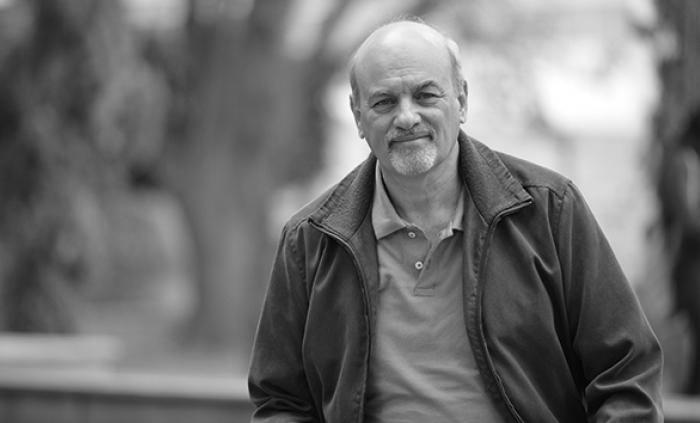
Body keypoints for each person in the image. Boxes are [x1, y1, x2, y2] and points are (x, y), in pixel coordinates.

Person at [248, 18, 663, 422]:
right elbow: (281, 399)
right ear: (358, 117)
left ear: (461, 100)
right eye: (384, 102)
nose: (406, 117)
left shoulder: (550, 211)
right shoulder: (310, 241)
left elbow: (626, 372)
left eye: (426, 95)